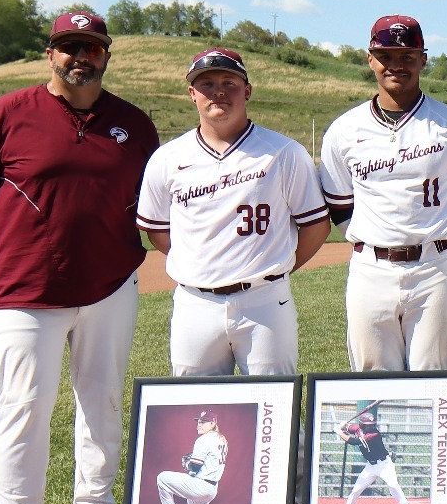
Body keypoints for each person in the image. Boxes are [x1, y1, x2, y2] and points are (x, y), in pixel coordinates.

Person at [0, 10, 159, 504]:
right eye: (69, 47)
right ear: (51, 54)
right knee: (23, 407)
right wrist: (0, 259)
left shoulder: (133, 125)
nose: (79, 57)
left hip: (111, 283)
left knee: (102, 400)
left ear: (107, 55)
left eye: (90, 47)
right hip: (26, 290)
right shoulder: (4, 115)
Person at [136, 48, 330, 375]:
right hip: (194, 303)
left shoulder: (284, 152)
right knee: (196, 411)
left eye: (230, 82)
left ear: (248, 91)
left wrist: (276, 267)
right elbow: (157, 230)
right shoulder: (167, 158)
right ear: (192, 94)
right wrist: (200, 257)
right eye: (207, 83)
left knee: (275, 406)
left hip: (265, 301)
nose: (219, 91)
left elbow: (316, 226)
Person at [319, 15, 447, 372]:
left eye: (407, 56)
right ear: (370, 59)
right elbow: (339, 206)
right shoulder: (344, 130)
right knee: (372, 384)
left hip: (435, 268)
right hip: (370, 271)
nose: (396, 65)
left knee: (437, 381)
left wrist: (444, 251)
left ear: (423, 59)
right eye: (386, 56)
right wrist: (374, 242)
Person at [333, 403, 418, 504]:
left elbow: (353, 441)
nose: (371, 427)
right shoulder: (357, 429)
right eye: (368, 425)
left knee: (393, 485)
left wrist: (339, 432)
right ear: (362, 425)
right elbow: (348, 428)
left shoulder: (374, 434)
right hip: (370, 467)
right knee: (355, 491)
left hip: (385, 465)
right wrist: (343, 426)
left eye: (372, 425)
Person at [153, 410, 229, 504]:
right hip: (212, 489)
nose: (199, 424)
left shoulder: (204, 439)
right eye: (198, 421)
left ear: (213, 424)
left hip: (200, 486)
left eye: (204, 422)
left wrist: (187, 464)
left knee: (162, 477)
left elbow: (194, 467)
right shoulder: (222, 440)